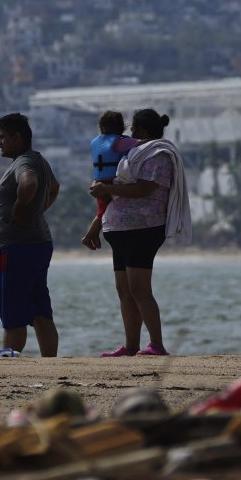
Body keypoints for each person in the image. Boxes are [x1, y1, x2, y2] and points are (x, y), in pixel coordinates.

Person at [90, 108, 191, 357]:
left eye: (133, 129)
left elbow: (144, 188)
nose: (130, 133)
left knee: (139, 290)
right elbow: (116, 189)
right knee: (124, 290)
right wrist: (95, 224)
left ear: (143, 130)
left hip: (143, 228)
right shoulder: (131, 152)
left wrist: (106, 188)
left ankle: (156, 343)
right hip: (119, 228)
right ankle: (131, 345)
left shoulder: (158, 154)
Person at [0, 112, 60, 356]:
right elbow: (54, 188)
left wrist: (19, 211)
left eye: (3, 137)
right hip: (34, 244)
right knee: (39, 309)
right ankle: (49, 361)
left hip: (15, 247)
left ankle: (9, 357)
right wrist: (36, 211)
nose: (0, 142)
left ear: (17, 138)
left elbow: (28, 184)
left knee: (13, 311)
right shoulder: (38, 160)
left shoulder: (24, 163)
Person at [81, 110, 138, 250]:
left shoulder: (95, 141)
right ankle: (89, 236)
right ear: (121, 127)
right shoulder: (120, 142)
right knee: (103, 212)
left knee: (102, 211)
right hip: (110, 184)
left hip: (98, 182)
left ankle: (93, 235)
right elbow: (140, 143)